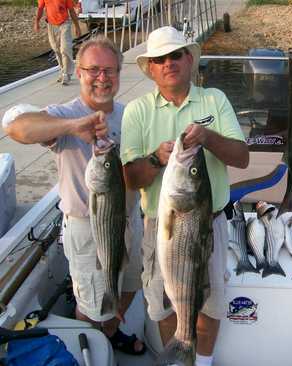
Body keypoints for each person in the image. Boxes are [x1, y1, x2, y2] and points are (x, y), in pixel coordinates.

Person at [4, 36, 146, 355]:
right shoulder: (62, 113)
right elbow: (15, 128)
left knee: (130, 284)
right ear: (79, 72)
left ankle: (109, 333)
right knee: (91, 303)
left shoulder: (129, 114)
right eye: (93, 69)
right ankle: (86, 348)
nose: (102, 77)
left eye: (109, 70)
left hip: (129, 220)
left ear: (119, 74)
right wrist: (72, 126)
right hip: (87, 226)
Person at [120, 26, 249, 366]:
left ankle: (199, 361)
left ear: (189, 59)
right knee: (163, 307)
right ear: (150, 68)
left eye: (176, 55)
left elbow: (241, 157)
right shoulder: (137, 110)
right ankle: (178, 356)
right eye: (160, 59)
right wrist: (154, 160)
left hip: (209, 225)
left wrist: (208, 137)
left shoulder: (214, 100)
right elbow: (130, 180)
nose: (168, 63)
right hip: (160, 226)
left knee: (210, 306)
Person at [34, 0, 81, 85]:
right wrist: (36, 22)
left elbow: (71, 10)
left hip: (64, 23)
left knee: (65, 49)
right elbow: (40, 8)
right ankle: (63, 71)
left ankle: (66, 74)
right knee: (56, 49)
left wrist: (77, 27)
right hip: (51, 25)